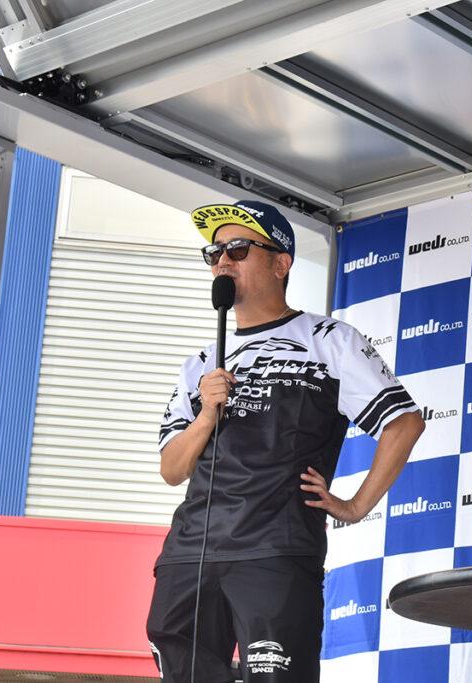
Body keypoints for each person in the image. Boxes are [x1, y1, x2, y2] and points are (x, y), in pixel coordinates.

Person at [146, 200, 424, 682]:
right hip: (190, 554)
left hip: (274, 550)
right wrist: (207, 414)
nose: (222, 261)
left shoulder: (329, 339)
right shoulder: (200, 364)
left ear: (281, 263)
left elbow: (404, 422)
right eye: (214, 253)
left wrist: (356, 506)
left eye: (238, 249)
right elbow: (172, 469)